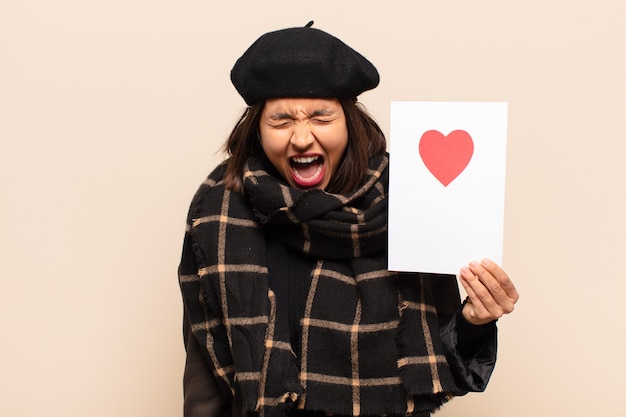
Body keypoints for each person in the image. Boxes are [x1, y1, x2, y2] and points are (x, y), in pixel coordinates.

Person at [178, 21, 519, 417]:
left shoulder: (411, 199)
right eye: (282, 120)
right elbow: (204, 374)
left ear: (349, 122)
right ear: (256, 130)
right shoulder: (220, 213)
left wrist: (475, 320)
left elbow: (439, 366)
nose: (302, 138)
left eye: (321, 118)